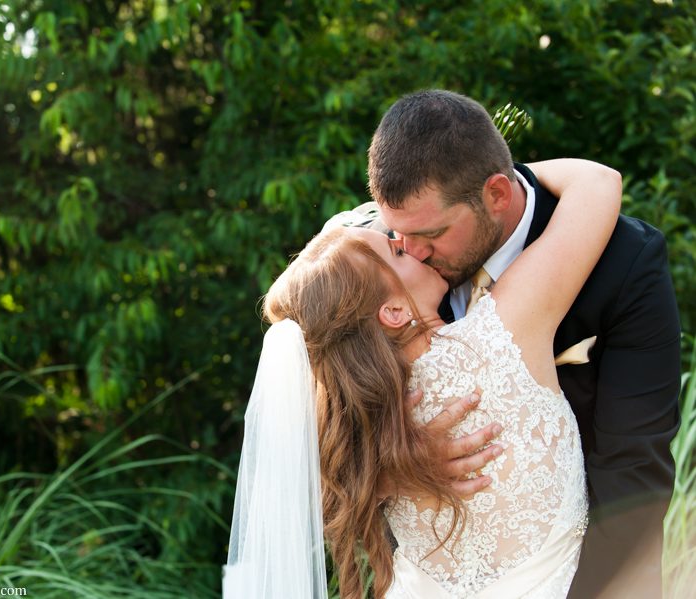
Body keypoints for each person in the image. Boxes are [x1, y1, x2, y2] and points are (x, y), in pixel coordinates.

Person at [224, 158, 620, 598]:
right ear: (393, 312)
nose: (410, 246)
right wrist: (480, 175)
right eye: (395, 250)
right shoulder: (504, 333)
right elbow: (598, 182)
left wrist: (386, 471)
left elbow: (297, 501)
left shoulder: (359, 426)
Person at [362, 90, 680, 598]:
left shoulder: (625, 263)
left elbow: (634, 473)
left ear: (496, 194)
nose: (413, 251)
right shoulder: (379, 266)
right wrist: (392, 466)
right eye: (399, 234)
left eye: (434, 234)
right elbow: (320, 441)